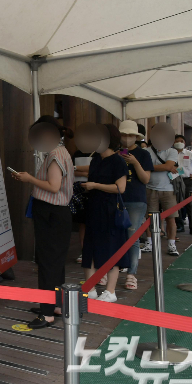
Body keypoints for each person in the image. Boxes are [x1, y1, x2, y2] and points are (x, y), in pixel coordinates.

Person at [11, 115, 73, 329]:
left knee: (47, 263)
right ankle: (55, 306)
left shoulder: (55, 154)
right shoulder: (60, 152)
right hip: (57, 213)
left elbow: (53, 186)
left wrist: (29, 179)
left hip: (51, 212)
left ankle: (47, 314)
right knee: (55, 263)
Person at [81, 124, 129, 302]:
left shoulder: (118, 161)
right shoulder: (95, 159)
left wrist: (95, 185)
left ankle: (110, 291)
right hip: (93, 208)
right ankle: (90, 288)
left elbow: (120, 188)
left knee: (111, 248)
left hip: (109, 210)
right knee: (89, 247)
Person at [118, 121, 154, 290]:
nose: (127, 138)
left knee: (132, 237)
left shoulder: (143, 154)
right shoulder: (114, 153)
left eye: (130, 135)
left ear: (136, 137)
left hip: (136, 200)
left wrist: (135, 162)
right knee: (113, 235)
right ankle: (110, 270)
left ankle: (131, 274)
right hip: (115, 198)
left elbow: (146, 179)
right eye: (124, 135)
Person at [143, 123, 180, 256]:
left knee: (171, 218)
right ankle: (149, 242)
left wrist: (150, 167)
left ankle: (171, 244)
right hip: (149, 188)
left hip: (168, 189)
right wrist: (164, 167)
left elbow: (168, 166)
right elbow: (165, 167)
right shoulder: (146, 151)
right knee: (149, 218)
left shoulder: (172, 151)